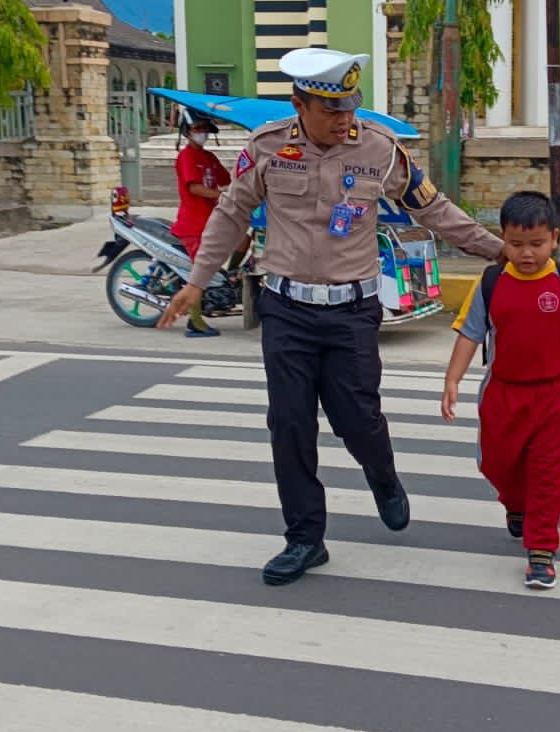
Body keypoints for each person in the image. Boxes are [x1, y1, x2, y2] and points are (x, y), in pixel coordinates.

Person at [157, 47, 505, 585]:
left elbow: (433, 208)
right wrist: (197, 281)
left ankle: (383, 477)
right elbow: (230, 213)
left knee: (357, 419)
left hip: (351, 313)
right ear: (301, 104)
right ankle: (305, 538)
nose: (345, 120)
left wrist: (497, 250)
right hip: (287, 310)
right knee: (290, 425)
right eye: (332, 110)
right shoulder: (267, 149)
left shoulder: (380, 151)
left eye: (350, 108)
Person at [442, 190, 560, 590]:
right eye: (516, 244)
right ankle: (515, 505)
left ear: (555, 238)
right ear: (503, 239)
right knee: (496, 464)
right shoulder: (491, 282)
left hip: (556, 395)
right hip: (503, 394)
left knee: (550, 473)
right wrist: (452, 380)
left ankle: (542, 552)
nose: (527, 254)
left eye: (537, 244)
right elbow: (469, 334)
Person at [169, 115, 230, 338]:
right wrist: (220, 194)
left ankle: (230, 277)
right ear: (187, 132)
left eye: (205, 129)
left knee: (243, 239)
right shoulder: (186, 157)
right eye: (197, 128)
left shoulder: (208, 156)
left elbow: (228, 178)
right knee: (199, 271)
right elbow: (194, 188)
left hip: (214, 219)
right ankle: (195, 321)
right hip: (193, 223)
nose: (202, 133)